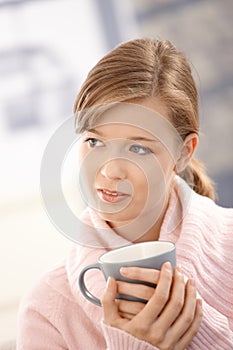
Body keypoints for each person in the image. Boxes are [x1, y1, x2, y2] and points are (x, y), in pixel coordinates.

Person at [16, 38, 233, 349]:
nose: (110, 171)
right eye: (95, 142)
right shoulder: (48, 309)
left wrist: (202, 334)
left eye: (138, 148)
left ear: (184, 153)